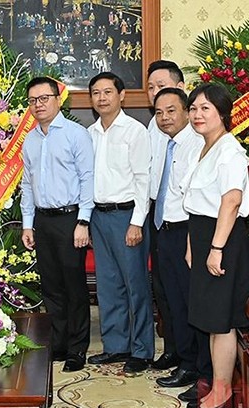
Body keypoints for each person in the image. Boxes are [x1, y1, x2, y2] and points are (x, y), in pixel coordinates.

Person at [183, 83, 249, 408]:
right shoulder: (204, 147)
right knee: (211, 319)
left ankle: (223, 391)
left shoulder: (229, 150)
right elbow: (196, 203)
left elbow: (231, 201)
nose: (197, 114)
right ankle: (216, 384)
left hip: (221, 239)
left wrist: (215, 248)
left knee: (221, 320)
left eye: (205, 108)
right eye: (193, 108)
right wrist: (191, 245)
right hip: (202, 236)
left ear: (222, 113)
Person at [20, 76, 94, 373]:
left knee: (74, 287)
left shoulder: (76, 134)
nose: (38, 105)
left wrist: (83, 221)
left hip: (70, 218)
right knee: (51, 287)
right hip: (42, 220)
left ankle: (78, 348)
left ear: (57, 99)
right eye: (33, 101)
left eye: (44, 98)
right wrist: (28, 224)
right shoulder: (30, 139)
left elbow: (89, 178)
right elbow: (28, 183)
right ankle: (59, 344)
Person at [86, 72, 153, 374]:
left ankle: (141, 351)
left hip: (128, 216)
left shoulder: (135, 131)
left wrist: (137, 223)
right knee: (109, 286)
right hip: (99, 217)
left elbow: (143, 180)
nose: (102, 98)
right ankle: (115, 346)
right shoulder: (90, 133)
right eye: (96, 93)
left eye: (108, 92)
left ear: (121, 95)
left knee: (135, 285)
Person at [150, 88, 212, 393]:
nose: (164, 118)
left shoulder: (196, 144)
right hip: (165, 229)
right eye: (159, 113)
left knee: (191, 303)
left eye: (171, 111)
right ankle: (185, 361)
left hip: (186, 231)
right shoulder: (168, 143)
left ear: (187, 111)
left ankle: (198, 369)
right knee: (173, 301)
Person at [146, 60, 185, 371]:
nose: (155, 92)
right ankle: (172, 349)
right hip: (158, 217)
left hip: (183, 222)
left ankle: (188, 357)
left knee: (183, 292)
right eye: (151, 88)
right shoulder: (153, 124)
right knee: (163, 289)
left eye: (161, 85)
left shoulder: (195, 132)